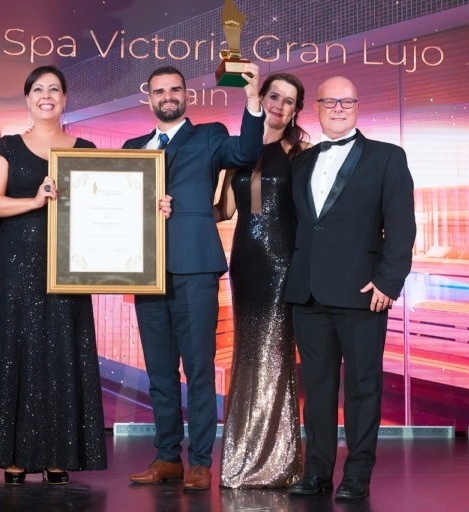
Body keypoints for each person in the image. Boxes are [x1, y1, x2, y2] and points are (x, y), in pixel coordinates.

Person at [124, 65, 264, 491]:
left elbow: (245, 154)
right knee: (160, 372)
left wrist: (253, 98)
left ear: (187, 96)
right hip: (145, 270)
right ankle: (167, 457)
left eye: (175, 89)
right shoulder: (132, 147)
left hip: (195, 266)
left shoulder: (209, 135)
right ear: (148, 97)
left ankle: (201, 460)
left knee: (198, 368)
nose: (167, 96)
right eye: (159, 90)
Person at [284, 76, 416, 500]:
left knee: (363, 388)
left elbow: (401, 226)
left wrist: (389, 281)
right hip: (308, 294)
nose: (339, 108)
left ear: (358, 106)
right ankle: (317, 472)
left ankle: (357, 476)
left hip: (363, 293)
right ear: (317, 108)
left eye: (347, 101)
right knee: (318, 390)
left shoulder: (387, 157)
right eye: (330, 101)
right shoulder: (301, 162)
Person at [0, 65, 108, 485]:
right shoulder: (8, 146)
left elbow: (104, 210)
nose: (46, 95)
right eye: (38, 89)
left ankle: (58, 453)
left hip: (71, 265)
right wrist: (35, 201)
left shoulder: (85, 147)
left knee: (62, 353)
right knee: (17, 347)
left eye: (54, 89)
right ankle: (14, 455)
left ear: (66, 98)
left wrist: (151, 207)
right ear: (27, 98)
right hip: (18, 262)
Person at [215, 73, 310, 489]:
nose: (279, 105)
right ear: (262, 98)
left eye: (289, 101)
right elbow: (223, 211)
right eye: (274, 96)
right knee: (249, 356)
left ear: (295, 111)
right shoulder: (242, 150)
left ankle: (277, 462)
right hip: (246, 265)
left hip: (283, 265)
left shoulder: (302, 153)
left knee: (275, 357)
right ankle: (242, 457)